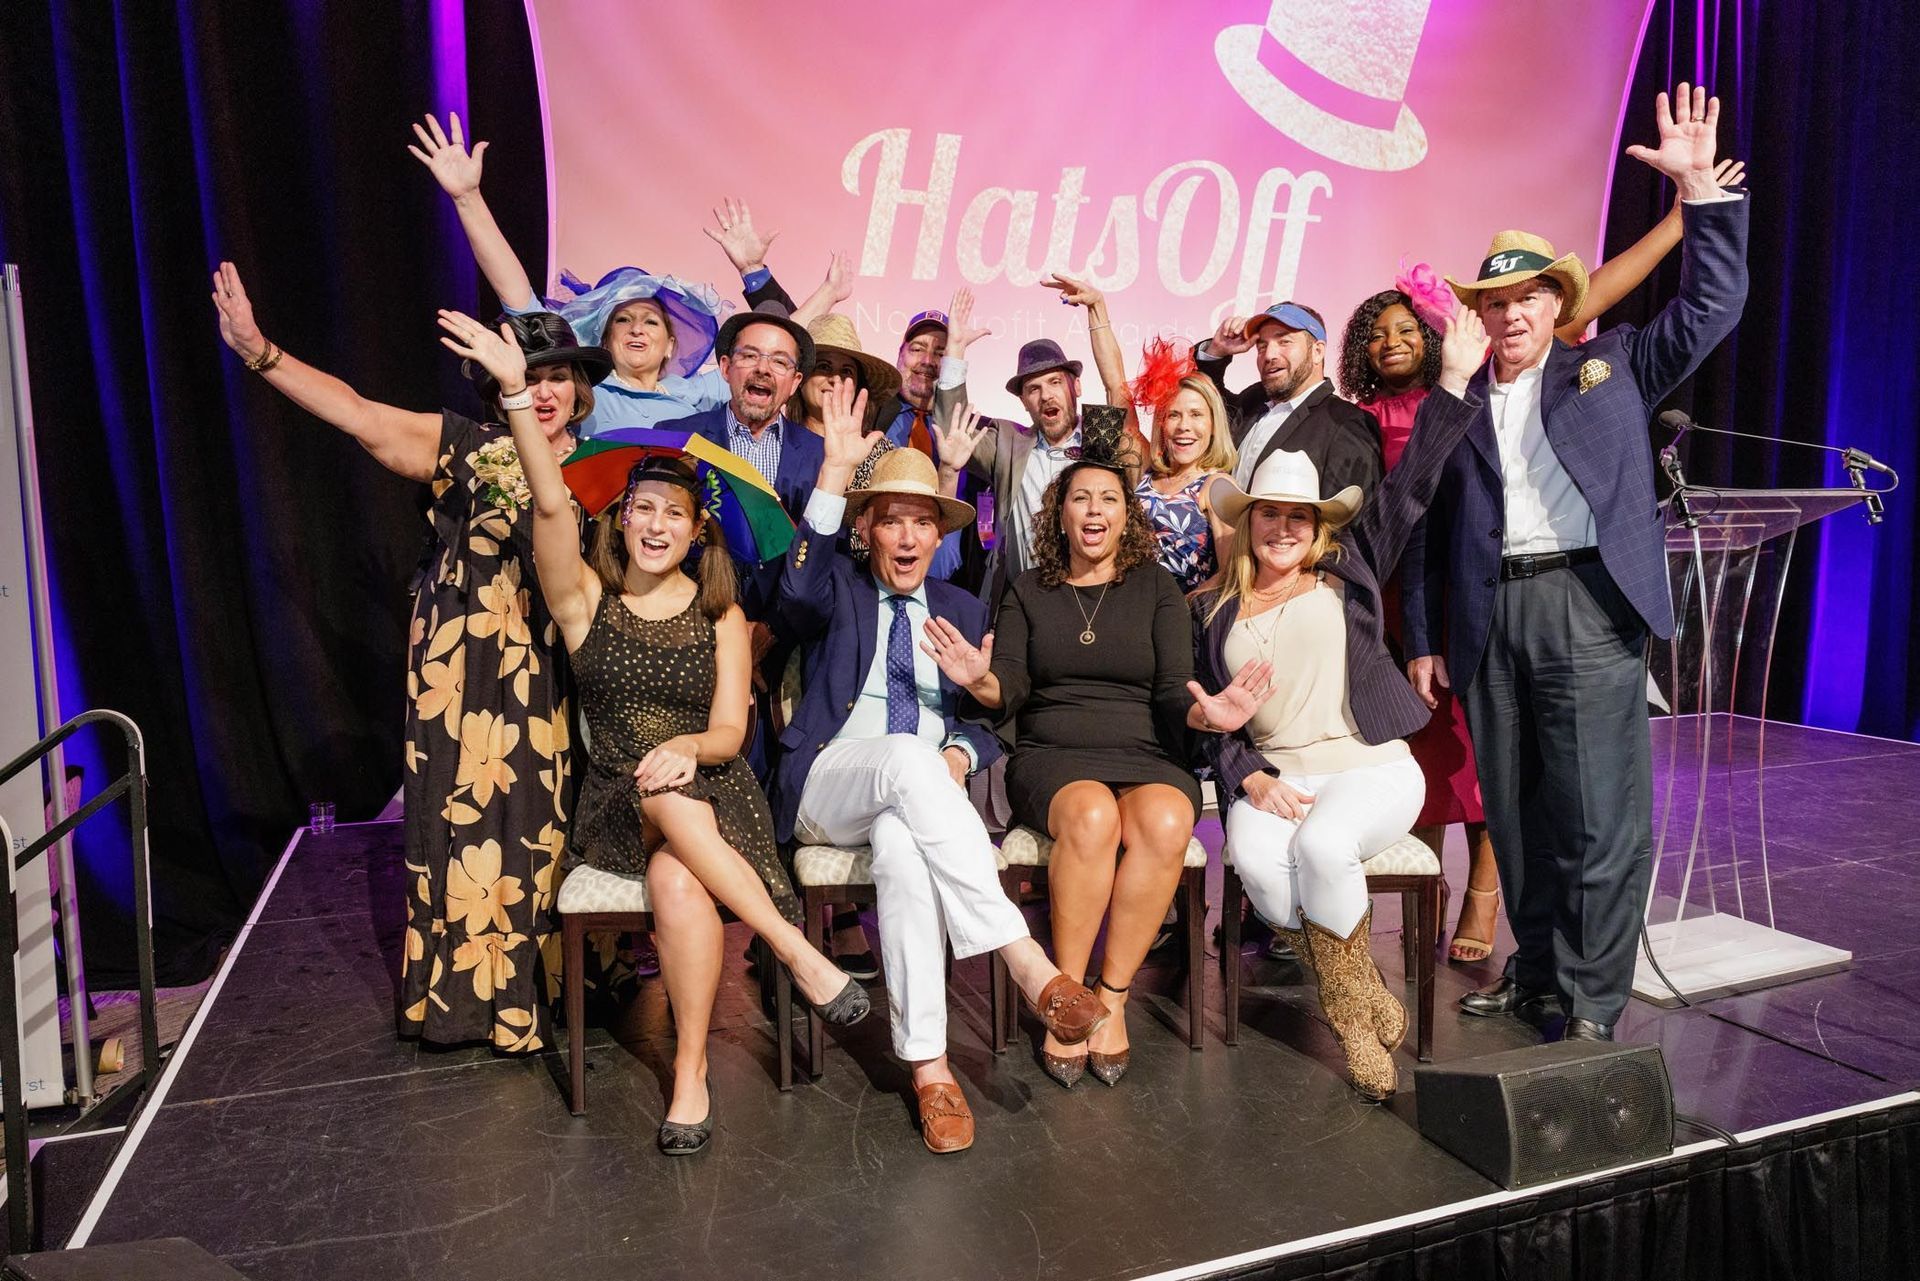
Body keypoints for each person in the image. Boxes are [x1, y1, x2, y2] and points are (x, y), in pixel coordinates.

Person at [437, 309, 870, 1154]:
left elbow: (727, 730)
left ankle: (691, 1074)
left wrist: (687, 750)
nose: (657, 524)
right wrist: (520, 396)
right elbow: (553, 512)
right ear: (624, 515)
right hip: (614, 804)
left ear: (696, 527)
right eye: (644, 508)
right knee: (659, 796)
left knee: (678, 871)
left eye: (675, 512)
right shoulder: (584, 601)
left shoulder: (725, 613)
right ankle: (795, 950)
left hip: (710, 792)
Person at [1404, 84, 1748, 1042]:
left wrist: (1701, 202)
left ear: (1562, 303)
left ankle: (1594, 1002)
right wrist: (1428, 636)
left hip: (1587, 604)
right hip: (1490, 619)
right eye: (1497, 300)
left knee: (1598, 818)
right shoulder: (1460, 400)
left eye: (1531, 295)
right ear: (1477, 313)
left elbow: (1715, 300)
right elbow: (1428, 524)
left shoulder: (1614, 365)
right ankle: (1539, 974)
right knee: (1516, 821)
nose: (1514, 313)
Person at [209, 264, 602, 1052]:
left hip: (543, 664)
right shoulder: (467, 445)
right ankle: (457, 1004)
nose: (545, 388)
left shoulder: (602, 470)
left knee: (531, 825)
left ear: (580, 390)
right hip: (459, 666)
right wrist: (261, 353)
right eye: (529, 375)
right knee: (454, 826)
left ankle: (534, 997)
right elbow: (357, 414)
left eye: (557, 375)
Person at [771, 383, 1111, 1152]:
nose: (906, 535)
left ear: (937, 536)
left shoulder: (960, 606)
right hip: (829, 782)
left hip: (918, 795)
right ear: (866, 530)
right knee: (901, 755)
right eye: (890, 520)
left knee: (901, 843)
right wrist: (833, 472)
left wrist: (961, 748)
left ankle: (932, 1072)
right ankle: (1027, 960)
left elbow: (993, 719)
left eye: (922, 522)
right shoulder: (837, 587)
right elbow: (790, 592)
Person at [1193, 305, 1489, 1098]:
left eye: (1298, 516)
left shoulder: (1347, 573)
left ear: (1317, 525)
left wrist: (1454, 382)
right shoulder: (1209, 610)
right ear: (1248, 522)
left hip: (1369, 766)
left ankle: (1353, 1020)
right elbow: (1198, 714)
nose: (1283, 528)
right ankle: (1363, 985)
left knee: (1324, 851)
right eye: (1270, 515)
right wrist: (1240, 764)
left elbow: (1415, 481)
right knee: (1256, 863)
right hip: (1276, 776)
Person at [924, 438, 1258, 1089]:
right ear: (1061, 515)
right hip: (1052, 754)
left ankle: (1112, 997)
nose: (1095, 510)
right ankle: (1066, 997)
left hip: (1146, 748)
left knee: (1166, 820)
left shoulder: (1157, 587)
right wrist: (979, 679)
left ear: (1127, 516)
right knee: (1091, 813)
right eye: (1081, 498)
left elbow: (1171, 691)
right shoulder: (1029, 589)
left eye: (1109, 498)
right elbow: (1010, 686)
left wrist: (1206, 714)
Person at [410, 115, 838, 437]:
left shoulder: (698, 394)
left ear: (671, 342)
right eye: (623, 319)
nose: (637, 329)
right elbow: (518, 297)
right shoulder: (583, 390)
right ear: (604, 335)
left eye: (651, 321)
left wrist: (758, 272)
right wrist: (468, 199)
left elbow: (769, 352)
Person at [1337, 276, 1499, 962]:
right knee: (1423, 757)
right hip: (1391, 606)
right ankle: (1423, 890)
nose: (1392, 342)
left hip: (1462, 592)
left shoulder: (1467, 400)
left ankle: (1482, 898)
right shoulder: (1355, 420)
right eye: (1377, 334)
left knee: (1481, 757)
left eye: (1407, 330)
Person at [932, 284, 1144, 604]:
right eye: (1033, 389)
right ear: (1024, 403)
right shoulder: (1009, 443)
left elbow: (1119, 391)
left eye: (1055, 382)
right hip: (1025, 604)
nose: (1046, 395)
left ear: (1076, 387)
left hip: (1098, 601)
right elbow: (952, 431)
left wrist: (1097, 310)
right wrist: (955, 354)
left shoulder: (1100, 437)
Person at [1192, 301, 1384, 499]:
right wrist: (1216, 351)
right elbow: (1203, 402)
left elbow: (1348, 516)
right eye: (1261, 346)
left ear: (1317, 352)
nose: (1269, 355)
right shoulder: (1252, 401)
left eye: (1284, 342)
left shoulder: (1346, 422)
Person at [1129, 339, 1239, 592]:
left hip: (1183, 623)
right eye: (1173, 415)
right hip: (1128, 618)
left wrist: (1174, 613)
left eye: (1196, 414)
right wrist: (1097, 309)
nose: (1183, 426)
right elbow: (1115, 390)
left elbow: (1230, 577)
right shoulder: (1145, 473)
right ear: (1161, 424)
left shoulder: (1218, 485)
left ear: (1214, 425)